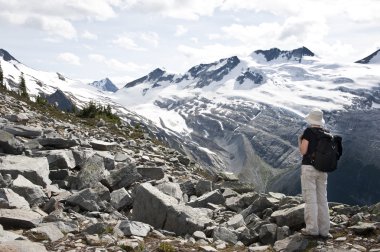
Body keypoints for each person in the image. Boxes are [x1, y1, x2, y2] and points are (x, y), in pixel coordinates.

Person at [298, 108, 332, 239]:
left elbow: (303, 151)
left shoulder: (308, 132)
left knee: (310, 200)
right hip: (322, 170)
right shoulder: (327, 133)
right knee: (323, 199)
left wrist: (300, 141)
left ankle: (312, 229)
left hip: (309, 169)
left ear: (311, 119)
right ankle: (324, 230)